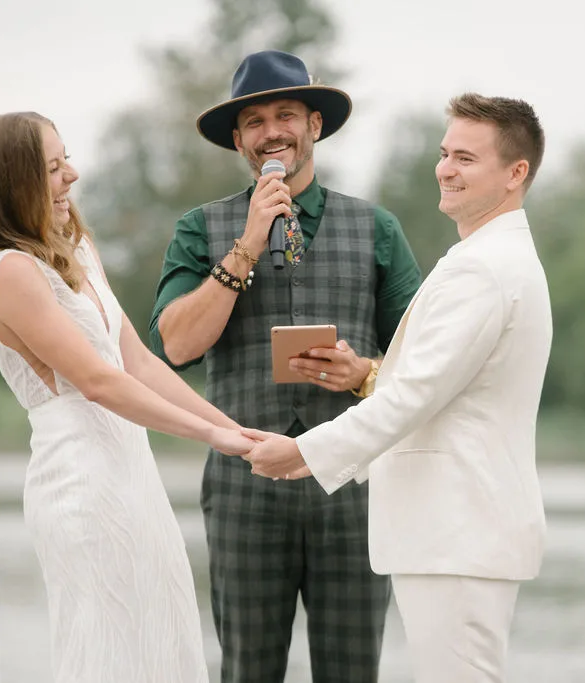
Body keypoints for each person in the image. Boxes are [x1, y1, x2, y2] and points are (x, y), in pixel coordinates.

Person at [242, 92, 553, 683]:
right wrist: (365, 375)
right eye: (444, 153)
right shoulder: (489, 256)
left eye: (466, 158)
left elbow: (414, 398)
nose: (445, 169)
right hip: (456, 533)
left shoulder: (483, 267)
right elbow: (439, 388)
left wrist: (304, 452)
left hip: (457, 531)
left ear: (516, 173)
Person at [0, 111, 253, 683]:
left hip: (133, 476)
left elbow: (136, 360)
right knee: (106, 648)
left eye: (67, 160)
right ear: (13, 182)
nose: (72, 175)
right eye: (54, 168)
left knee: (162, 635)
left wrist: (232, 427)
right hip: (81, 485)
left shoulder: (77, 249)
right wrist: (213, 439)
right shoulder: (9, 272)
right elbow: (99, 381)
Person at [149, 50, 422, 682]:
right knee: (246, 670)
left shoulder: (378, 227)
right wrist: (245, 244)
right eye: (254, 120)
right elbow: (177, 346)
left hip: (351, 487)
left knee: (353, 671)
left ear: (314, 126)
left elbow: (423, 361)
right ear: (240, 141)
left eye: (286, 114)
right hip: (245, 487)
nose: (272, 130)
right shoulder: (201, 229)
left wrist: (362, 372)